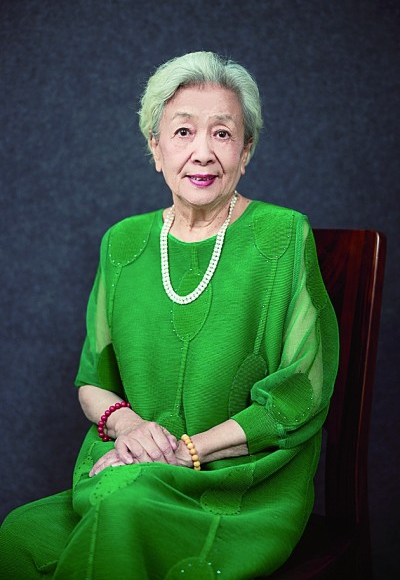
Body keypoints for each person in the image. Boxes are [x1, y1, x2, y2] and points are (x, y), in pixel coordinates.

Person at [0, 51, 339, 579]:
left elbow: (302, 390)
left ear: (246, 151)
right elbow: (93, 383)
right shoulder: (123, 243)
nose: (203, 152)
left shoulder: (283, 236)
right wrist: (132, 429)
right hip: (131, 465)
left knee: (124, 507)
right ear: (155, 148)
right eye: (183, 132)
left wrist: (186, 451)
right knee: (19, 536)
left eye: (223, 134)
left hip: (240, 482)